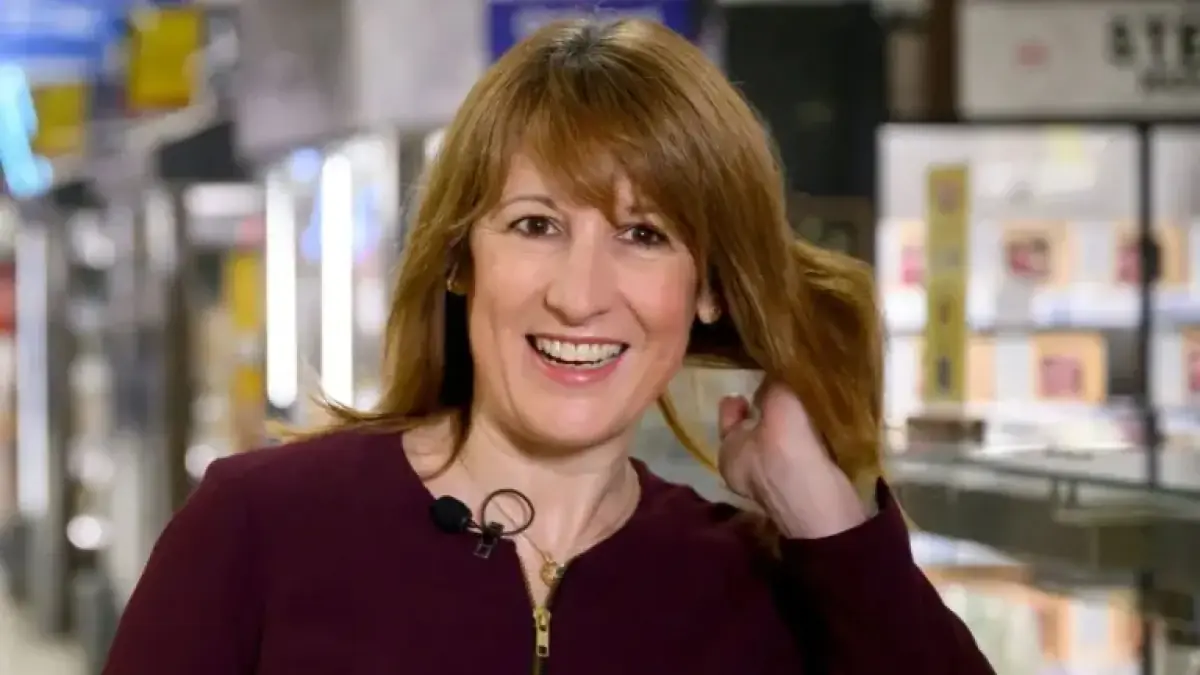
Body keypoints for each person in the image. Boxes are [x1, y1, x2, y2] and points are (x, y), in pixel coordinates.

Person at [103, 18, 995, 675]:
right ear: (461, 256)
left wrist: (827, 519)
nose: (578, 294)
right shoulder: (261, 527)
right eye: (535, 224)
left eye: (644, 235)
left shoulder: (757, 585)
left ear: (710, 289)